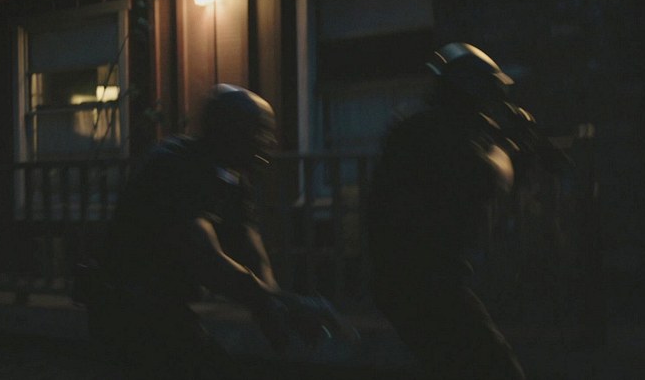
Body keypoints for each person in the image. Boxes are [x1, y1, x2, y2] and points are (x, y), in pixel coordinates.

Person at [84, 84, 342, 378]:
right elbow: (206, 258)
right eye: (261, 131)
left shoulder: (231, 178)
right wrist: (283, 303)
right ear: (230, 133)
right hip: (126, 307)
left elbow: (250, 247)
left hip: (161, 306)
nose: (270, 142)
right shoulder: (174, 165)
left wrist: (270, 306)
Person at [365, 43, 527, 379]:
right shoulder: (439, 131)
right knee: (498, 368)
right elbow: (488, 178)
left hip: (407, 278)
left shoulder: (422, 126)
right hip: (425, 281)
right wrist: (505, 149)